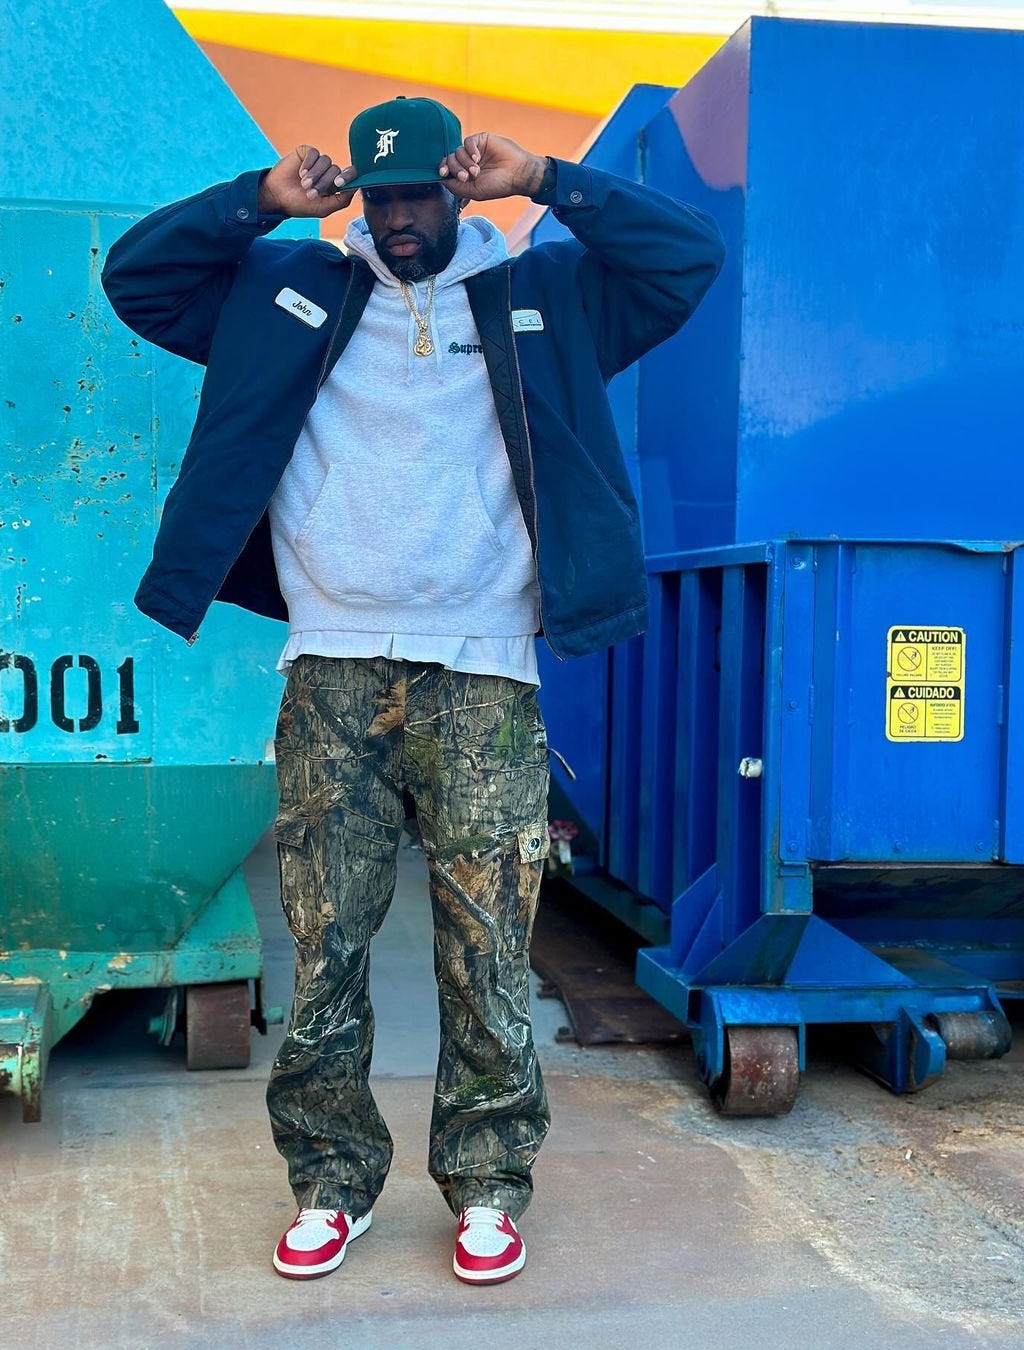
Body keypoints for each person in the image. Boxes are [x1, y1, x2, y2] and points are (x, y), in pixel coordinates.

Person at [101, 94, 724, 1286]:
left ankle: (488, 1184)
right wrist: (264, 201)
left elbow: (686, 257)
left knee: (487, 954)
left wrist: (544, 174)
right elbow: (139, 280)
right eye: (376, 201)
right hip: (332, 669)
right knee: (327, 946)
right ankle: (332, 1184)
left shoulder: (545, 298)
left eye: (414, 199)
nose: (394, 222)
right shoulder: (294, 298)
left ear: (455, 192)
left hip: (484, 675)